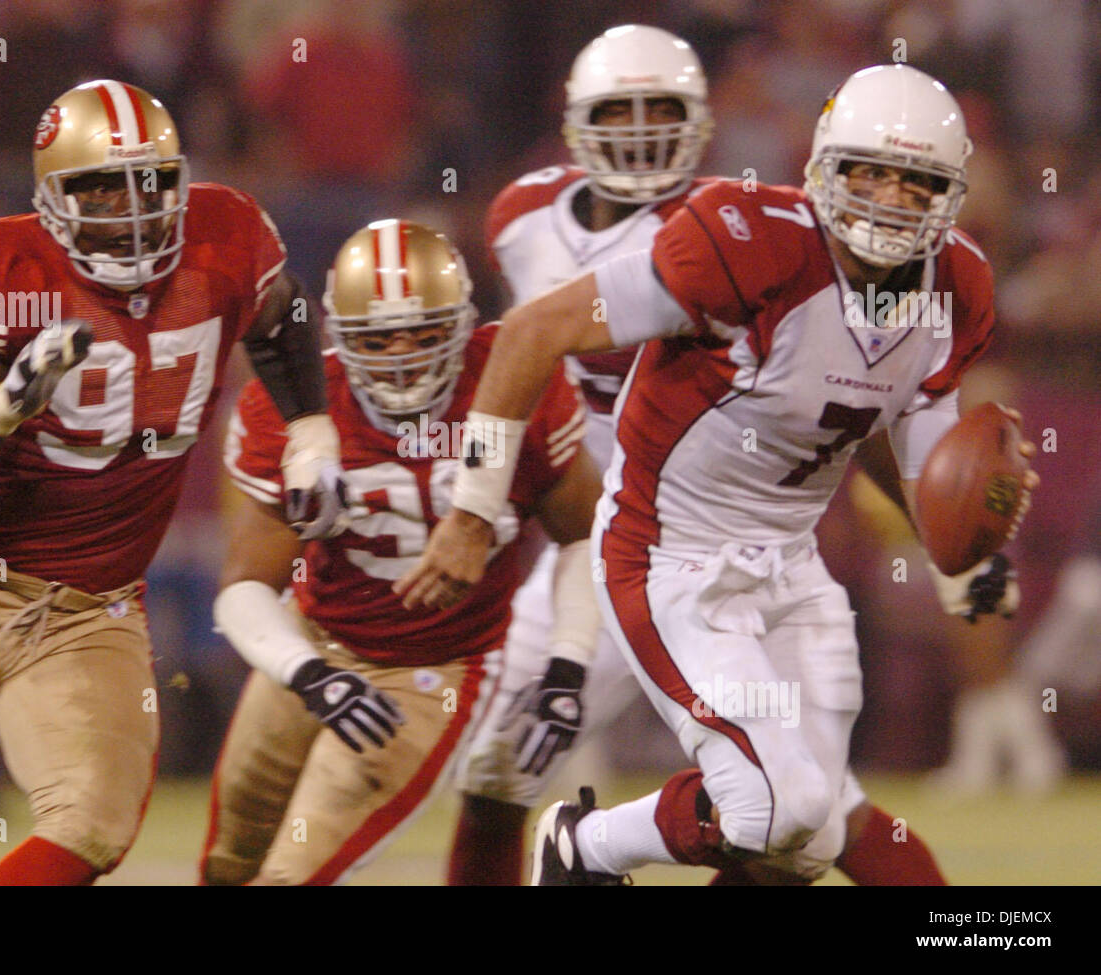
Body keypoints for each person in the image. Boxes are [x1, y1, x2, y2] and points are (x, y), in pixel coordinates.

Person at [398, 63, 1037, 884]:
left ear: (949, 195)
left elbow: (908, 438)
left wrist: (964, 553)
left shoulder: (958, 286)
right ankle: (582, 845)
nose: (886, 196)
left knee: (804, 841)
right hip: (670, 556)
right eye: (867, 172)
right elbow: (530, 331)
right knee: (777, 806)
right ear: (821, 172)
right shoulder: (748, 240)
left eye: (914, 181)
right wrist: (473, 511)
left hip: (789, 566)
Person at [0, 80, 344, 886]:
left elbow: (285, 316)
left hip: (92, 611)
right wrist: (2, 407)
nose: (128, 207)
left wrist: (309, 425)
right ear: (50, 196)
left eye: (149, 180)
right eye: (97, 184)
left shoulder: (224, 236)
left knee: (93, 825)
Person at [200, 220, 603, 885]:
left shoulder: (513, 381)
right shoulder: (297, 408)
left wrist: (567, 665)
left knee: (288, 877)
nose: (402, 355)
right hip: (316, 642)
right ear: (339, 337)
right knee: (226, 868)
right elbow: (243, 585)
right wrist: (307, 672)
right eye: (378, 337)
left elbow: (585, 535)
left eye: (424, 332)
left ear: (464, 322)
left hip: (433, 672)